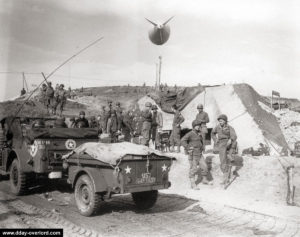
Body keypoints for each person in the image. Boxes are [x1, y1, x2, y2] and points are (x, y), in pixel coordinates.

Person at [181, 120, 211, 189]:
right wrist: (188, 147)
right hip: (193, 154)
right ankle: (193, 183)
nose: (198, 127)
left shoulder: (199, 133)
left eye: (199, 126)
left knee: (205, 167)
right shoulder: (190, 133)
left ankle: (204, 180)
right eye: (197, 126)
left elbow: (201, 141)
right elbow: (182, 140)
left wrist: (202, 148)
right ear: (193, 126)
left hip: (200, 154)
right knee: (194, 169)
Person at [211, 114, 237, 185]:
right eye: (219, 121)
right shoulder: (217, 127)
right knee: (223, 160)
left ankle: (230, 155)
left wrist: (230, 140)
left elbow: (234, 136)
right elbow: (212, 133)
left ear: (225, 121)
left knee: (234, 144)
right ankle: (225, 176)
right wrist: (215, 140)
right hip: (221, 143)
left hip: (228, 142)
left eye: (221, 121)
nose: (220, 122)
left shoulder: (229, 127)